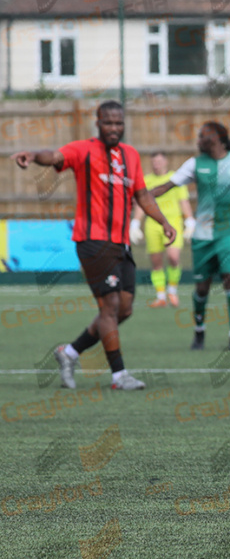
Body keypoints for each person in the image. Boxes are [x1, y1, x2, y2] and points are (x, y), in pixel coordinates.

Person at [11, 100, 177, 390]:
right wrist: (34, 155)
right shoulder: (83, 150)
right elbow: (53, 156)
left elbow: (142, 195)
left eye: (119, 123)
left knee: (123, 309)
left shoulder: (131, 156)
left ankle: (69, 352)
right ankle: (119, 376)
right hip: (92, 241)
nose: (114, 128)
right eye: (108, 122)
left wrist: (163, 222)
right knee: (110, 306)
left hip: (121, 244)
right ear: (98, 123)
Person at [150, 122, 230, 352]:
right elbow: (167, 186)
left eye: (203, 136)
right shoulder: (194, 164)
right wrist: (140, 195)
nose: (199, 140)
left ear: (218, 139)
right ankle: (199, 331)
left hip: (229, 234)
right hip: (202, 237)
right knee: (202, 288)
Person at [130, 151, 196, 307]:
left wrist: (190, 220)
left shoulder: (175, 179)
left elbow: (183, 201)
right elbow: (142, 203)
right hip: (152, 225)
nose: (156, 164)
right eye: (154, 162)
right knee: (156, 261)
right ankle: (160, 296)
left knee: (173, 257)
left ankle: (172, 292)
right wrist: (135, 222)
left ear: (166, 162)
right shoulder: (146, 180)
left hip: (173, 223)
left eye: (159, 161)